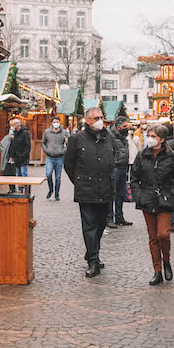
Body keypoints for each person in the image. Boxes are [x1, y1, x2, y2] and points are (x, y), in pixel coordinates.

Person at [63, 106, 116, 277]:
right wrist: (79, 181)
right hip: (86, 189)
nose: (100, 120)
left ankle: (93, 252)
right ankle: (93, 260)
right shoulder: (77, 139)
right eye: (96, 118)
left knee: (101, 224)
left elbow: (115, 157)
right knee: (89, 226)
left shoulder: (109, 138)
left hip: (105, 188)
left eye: (102, 117)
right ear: (88, 121)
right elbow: (69, 164)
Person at [131, 123, 174, 285]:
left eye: (153, 136)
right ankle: (157, 270)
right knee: (153, 237)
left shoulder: (172, 156)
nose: (150, 139)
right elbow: (134, 179)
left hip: (165, 199)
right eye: (149, 136)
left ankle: (166, 260)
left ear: (161, 139)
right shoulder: (142, 155)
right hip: (147, 199)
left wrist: (172, 194)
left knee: (163, 234)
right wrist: (139, 196)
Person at [108, 119, 133, 228]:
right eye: (125, 126)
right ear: (118, 127)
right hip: (115, 167)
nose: (127, 128)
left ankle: (119, 217)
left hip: (124, 166)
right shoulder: (110, 137)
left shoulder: (123, 137)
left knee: (121, 194)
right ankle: (109, 218)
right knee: (112, 194)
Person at [41, 117, 69, 200]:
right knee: (48, 174)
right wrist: (46, 150)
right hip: (49, 156)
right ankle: (50, 189)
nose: (56, 123)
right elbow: (43, 142)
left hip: (59, 157)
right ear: (52, 123)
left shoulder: (64, 132)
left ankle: (57, 194)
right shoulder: (47, 132)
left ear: (60, 123)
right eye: (54, 122)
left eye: (57, 121)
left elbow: (68, 144)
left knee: (58, 177)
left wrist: (63, 150)